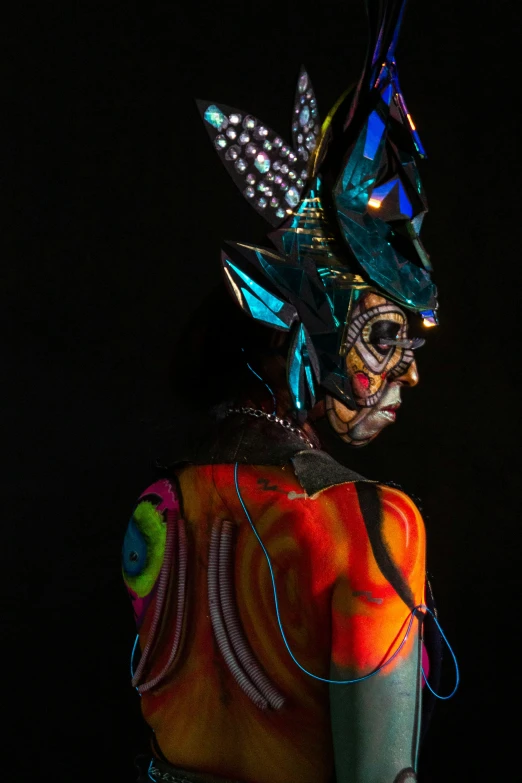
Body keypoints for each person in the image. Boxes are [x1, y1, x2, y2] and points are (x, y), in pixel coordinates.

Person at [123, 2, 449, 780]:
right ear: (299, 323)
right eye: (383, 336)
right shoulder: (370, 527)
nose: (408, 372)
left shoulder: (156, 510)